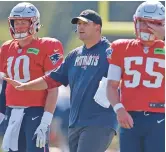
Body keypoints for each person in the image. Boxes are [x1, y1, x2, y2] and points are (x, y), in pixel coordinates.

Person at [4, 9, 118, 152]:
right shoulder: (74, 55)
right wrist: (25, 86)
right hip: (75, 122)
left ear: (97, 27)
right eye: (78, 24)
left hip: (100, 121)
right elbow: (51, 79)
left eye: (85, 24)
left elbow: (126, 76)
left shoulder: (110, 51)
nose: (80, 27)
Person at [0, 2, 64, 152]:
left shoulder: (48, 46)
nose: (19, 26)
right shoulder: (6, 48)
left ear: (34, 23)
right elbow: (5, 84)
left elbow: (52, 88)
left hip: (35, 111)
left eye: (24, 22)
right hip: (12, 112)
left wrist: (45, 121)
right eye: (16, 22)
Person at [106, 1, 165, 152]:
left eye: (153, 23)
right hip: (129, 117)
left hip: (159, 117)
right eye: (142, 22)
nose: (147, 27)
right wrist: (119, 110)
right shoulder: (120, 47)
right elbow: (112, 85)